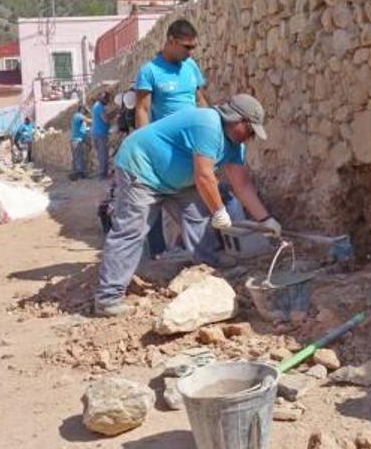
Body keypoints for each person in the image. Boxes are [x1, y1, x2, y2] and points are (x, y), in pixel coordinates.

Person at [93, 94, 282, 317]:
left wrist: (265, 219)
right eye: (250, 130)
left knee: (197, 217)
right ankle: (108, 298)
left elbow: (242, 185)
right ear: (237, 121)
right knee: (131, 231)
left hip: (178, 180)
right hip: (141, 168)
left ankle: (210, 265)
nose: (251, 137)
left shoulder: (235, 146)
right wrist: (219, 211)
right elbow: (204, 176)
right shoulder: (208, 124)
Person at [134, 19, 209, 258]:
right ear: (171, 41)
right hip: (165, 150)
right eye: (187, 47)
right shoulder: (150, 72)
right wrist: (145, 147)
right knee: (161, 205)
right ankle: (163, 255)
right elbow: (143, 110)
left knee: (195, 205)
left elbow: (200, 100)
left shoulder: (191, 67)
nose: (190, 53)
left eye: (193, 48)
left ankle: (200, 256)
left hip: (192, 149)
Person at [91, 92, 113, 179]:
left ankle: (101, 173)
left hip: (95, 133)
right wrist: (115, 113)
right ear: (104, 99)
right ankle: (103, 175)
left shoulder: (96, 105)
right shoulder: (100, 107)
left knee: (100, 155)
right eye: (107, 100)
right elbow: (106, 119)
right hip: (101, 133)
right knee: (103, 154)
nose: (108, 102)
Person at [70, 105, 90, 180]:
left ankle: (76, 174)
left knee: (78, 157)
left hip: (77, 140)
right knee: (78, 157)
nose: (85, 113)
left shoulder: (78, 117)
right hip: (76, 140)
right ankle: (79, 174)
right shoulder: (78, 115)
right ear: (81, 110)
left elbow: (83, 128)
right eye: (85, 111)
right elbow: (88, 120)